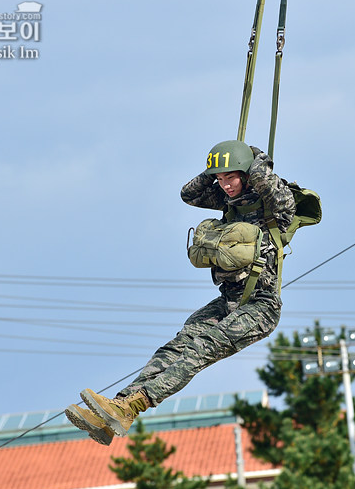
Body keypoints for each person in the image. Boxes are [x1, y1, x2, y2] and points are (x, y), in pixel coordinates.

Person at [65, 140, 296, 445]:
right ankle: (118, 407)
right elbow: (190, 193)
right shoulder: (230, 203)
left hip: (259, 307)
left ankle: (134, 405)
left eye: (231, 177)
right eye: (221, 179)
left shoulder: (276, 207)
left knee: (199, 350)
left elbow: (267, 181)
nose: (225, 185)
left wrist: (252, 156)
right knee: (177, 346)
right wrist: (217, 166)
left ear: (247, 174)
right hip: (229, 302)